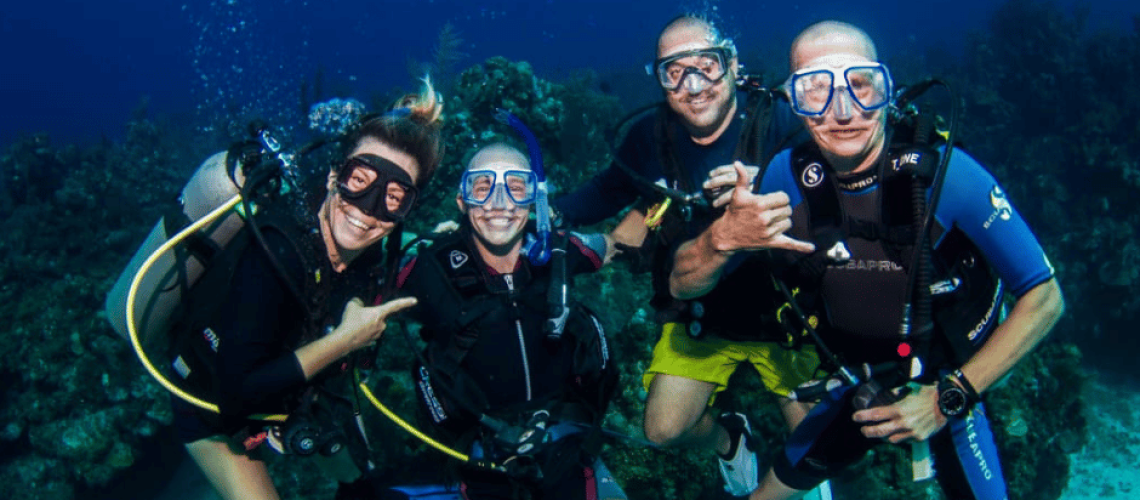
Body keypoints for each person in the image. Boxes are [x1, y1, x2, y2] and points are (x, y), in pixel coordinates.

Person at [669, 21, 1065, 500]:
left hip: (948, 382)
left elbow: (1044, 297)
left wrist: (949, 398)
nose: (842, 112)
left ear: (888, 88)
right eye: (815, 89)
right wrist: (721, 239)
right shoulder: (783, 176)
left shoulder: (950, 178)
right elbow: (681, 287)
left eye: (861, 85)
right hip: (858, 378)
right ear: (792, 103)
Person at [554, 15, 820, 497]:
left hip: (788, 310)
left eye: (707, 66)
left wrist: (768, 185)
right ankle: (729, 438)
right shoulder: (649, 138)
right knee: (662, 429)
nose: (693, 84)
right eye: (673, 72)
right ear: (659, 79)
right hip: (702, 308)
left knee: (815, 436)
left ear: (733, 65)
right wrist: (540, 216)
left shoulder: (782, 120)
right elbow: (605, 191)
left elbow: (839, 194)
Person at [167, 80, 445, 500]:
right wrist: (346, 340)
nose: (368, 211)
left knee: (359, 480)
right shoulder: (277, 251)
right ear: (335, 175)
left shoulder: (373, 253)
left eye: (393, 197)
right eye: (360, 180)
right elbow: (233, 395)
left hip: (291, 396)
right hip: (211, 406)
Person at [395, 142, 625, 500]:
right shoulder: (427, 270)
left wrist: (656, 201)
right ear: (461, 200)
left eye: (516, 187)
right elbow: (365, 263)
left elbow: (612, 244)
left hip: (567, 447)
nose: (499, 202)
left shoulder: (560, 251)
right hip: (479, 460)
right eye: (482, 186)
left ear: (535, 201)